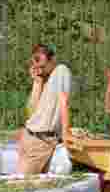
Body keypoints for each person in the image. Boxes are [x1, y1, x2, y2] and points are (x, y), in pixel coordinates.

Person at [16, 44, 74, 175]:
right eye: (36, 67)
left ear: (52, 59)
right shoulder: (44, 79)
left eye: (42, 66)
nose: (40, 69)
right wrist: (37, 82)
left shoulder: (61, 70)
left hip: (40, 141)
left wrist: (66, 137)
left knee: (22, 187)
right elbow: (31, 112)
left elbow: (63, 101)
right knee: (22, 187)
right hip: (29, 137)